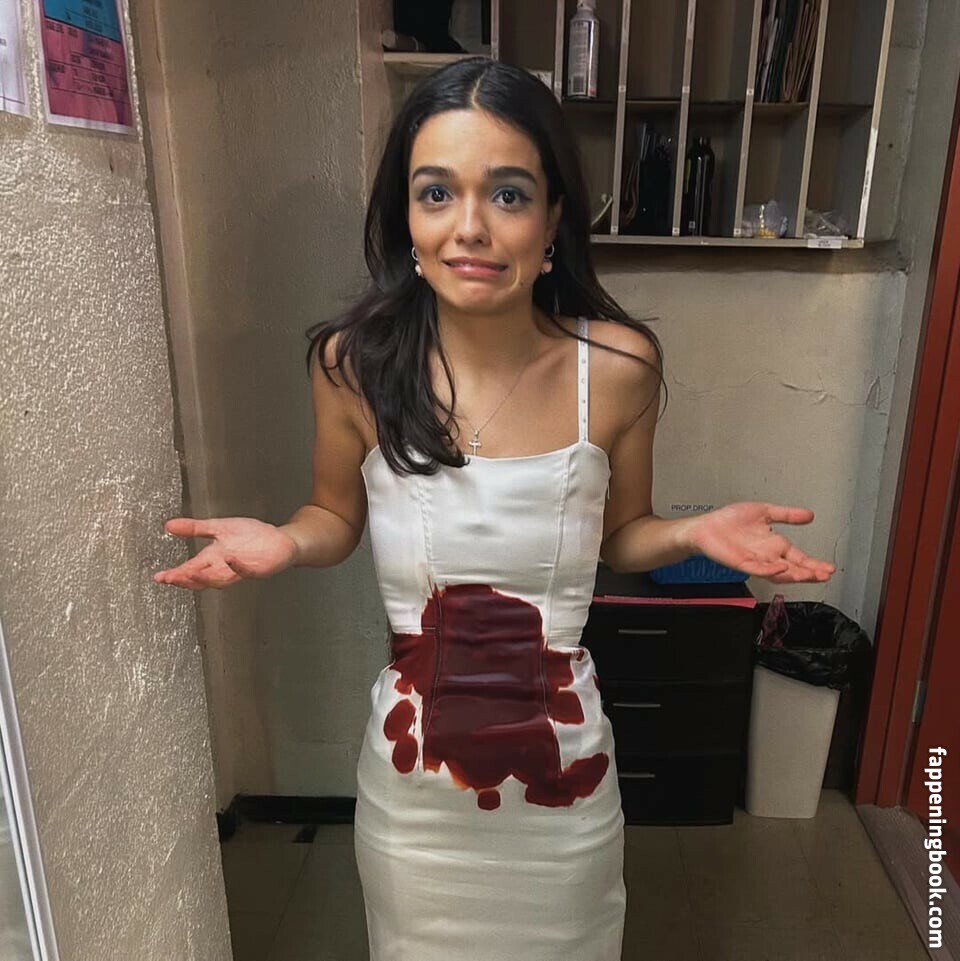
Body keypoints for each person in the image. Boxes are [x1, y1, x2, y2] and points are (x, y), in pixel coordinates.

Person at [154, 57, 835, 961]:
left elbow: (623, 535)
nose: (469, 226)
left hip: (562, 779)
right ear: (405, 216)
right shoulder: (353, 365)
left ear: (552, 219)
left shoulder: (618, 367)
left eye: (508, 194)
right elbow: (336, 516)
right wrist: (283, 540)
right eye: (436, 193)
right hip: (415, 787)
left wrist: (691, 531)